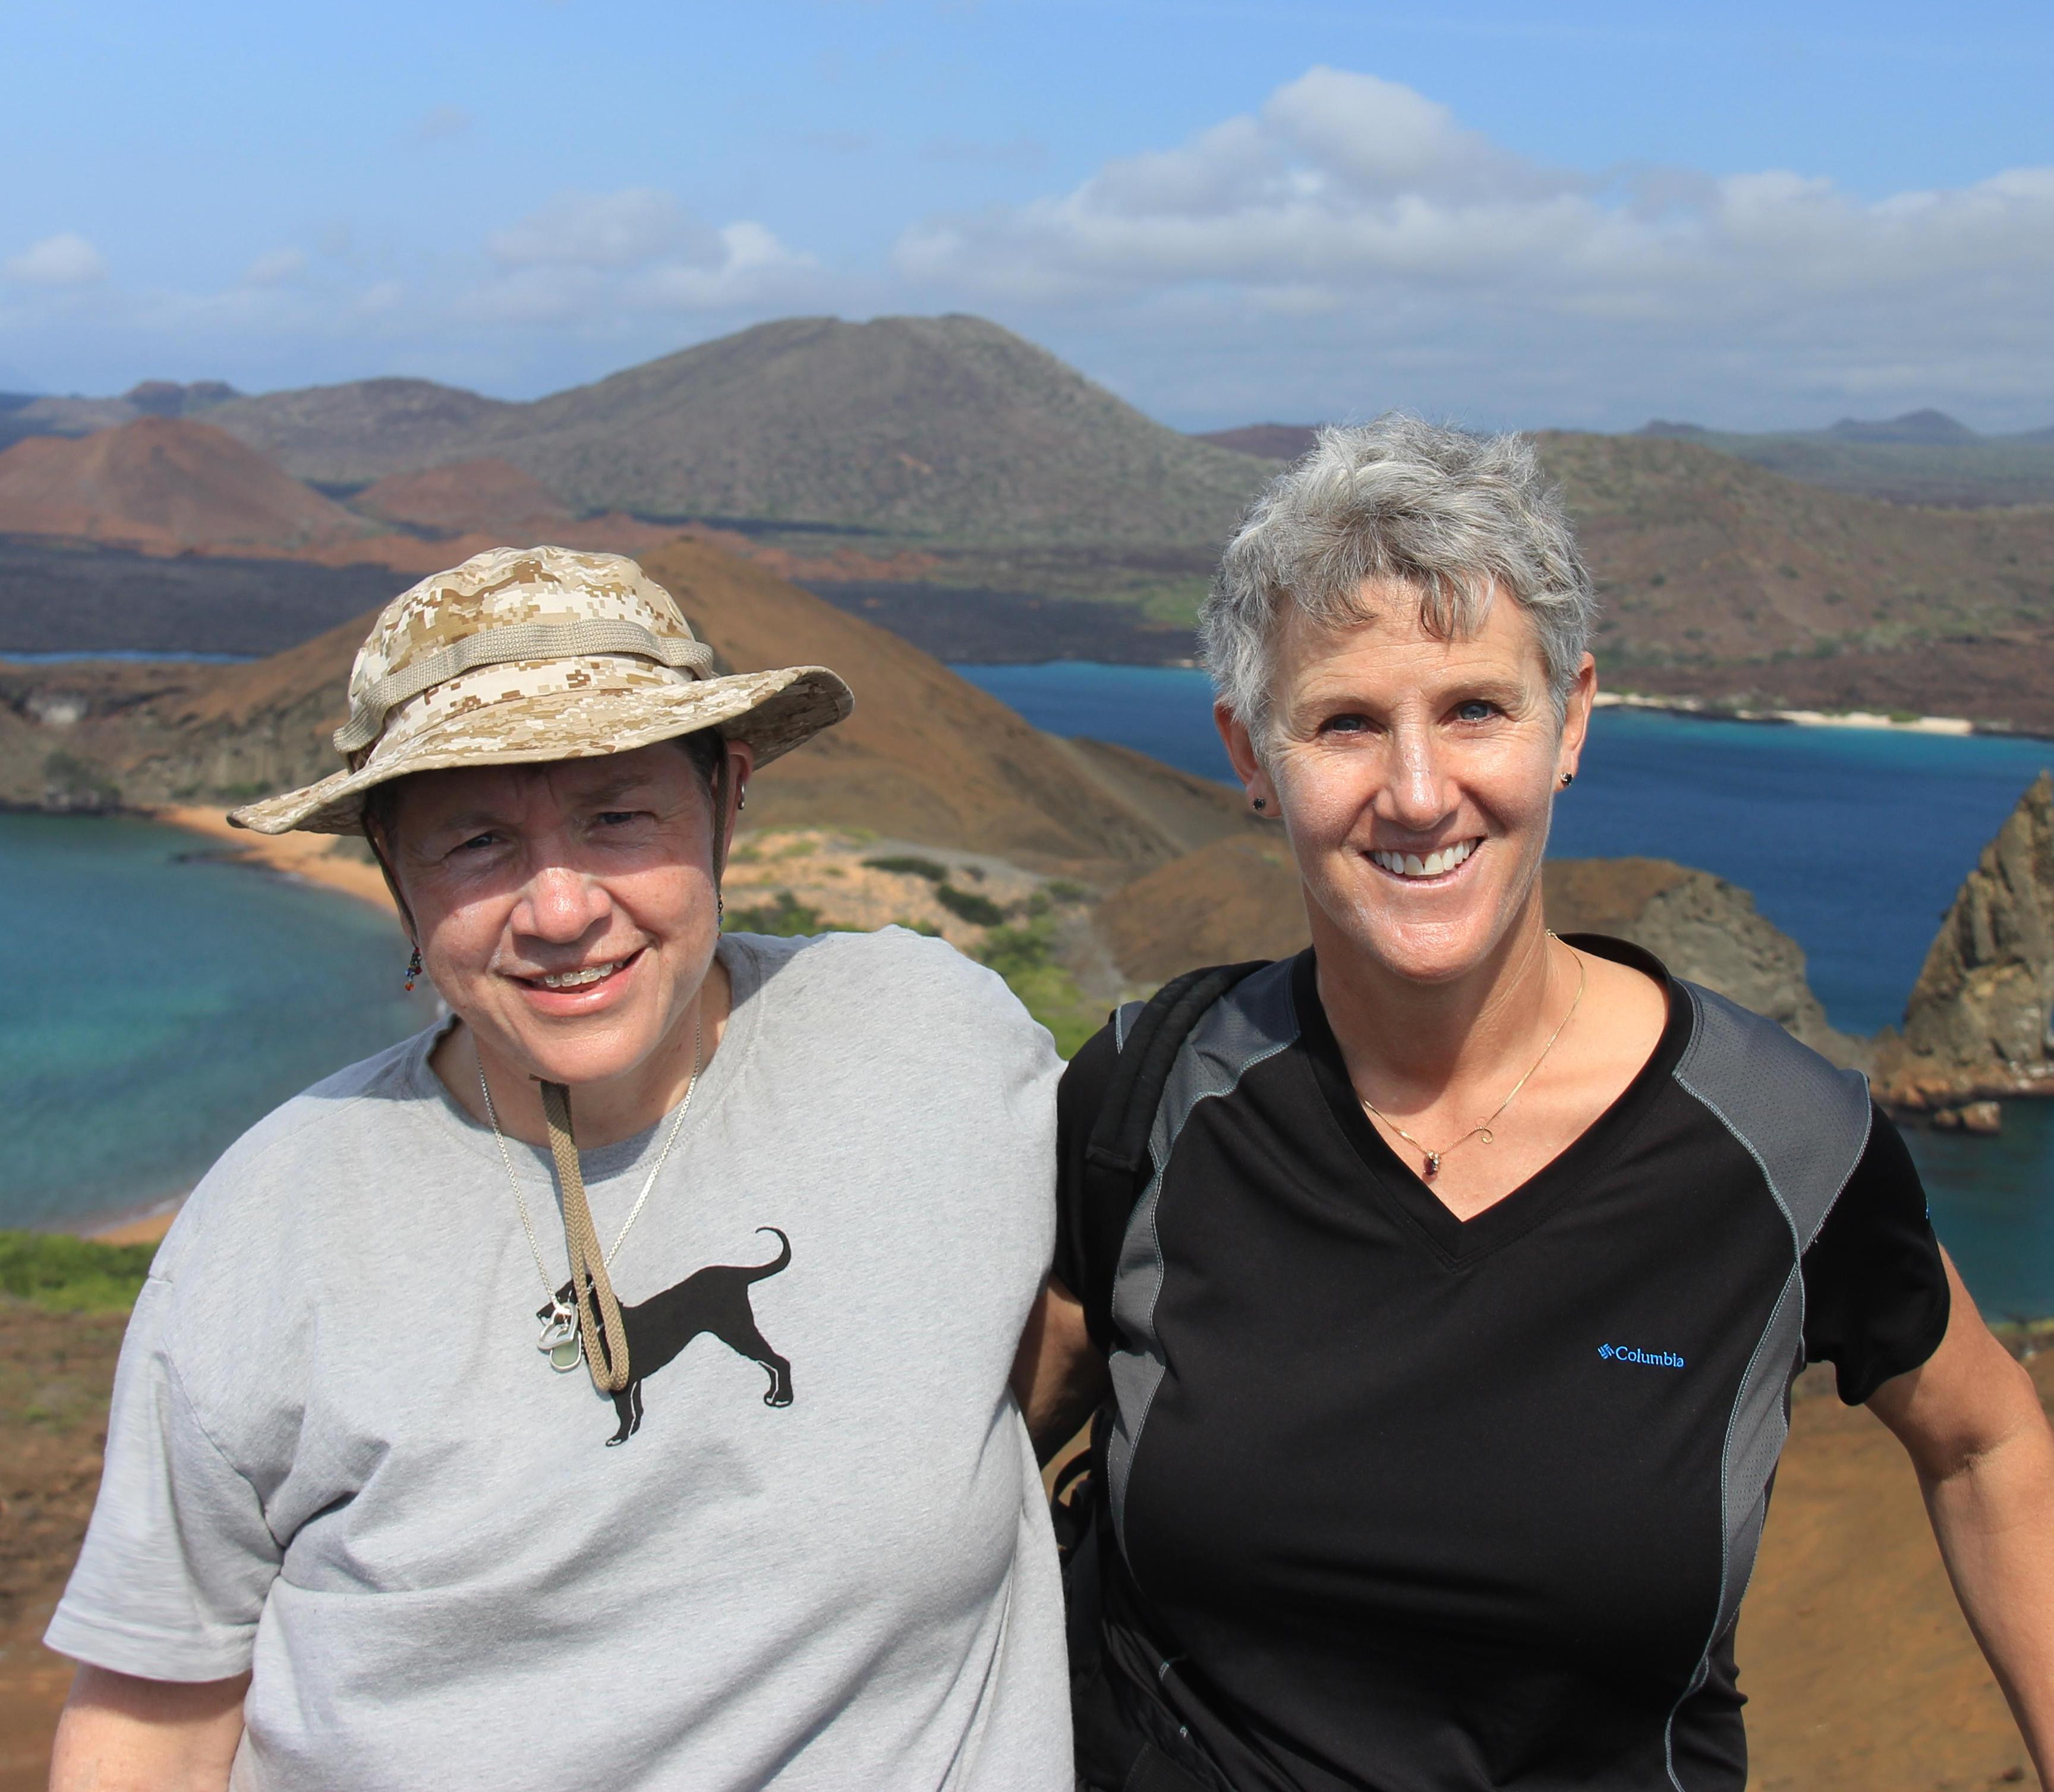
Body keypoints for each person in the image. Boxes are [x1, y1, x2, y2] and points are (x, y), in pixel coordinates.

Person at [1013, 418, 2054, 1792]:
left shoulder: (1784, 1146)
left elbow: (1985, 1441)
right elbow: (972, 1451)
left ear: (1571, 721)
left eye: (1475, 709)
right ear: (1250, 758)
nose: (1419, 791)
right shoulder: (1156, 1094)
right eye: (1343, 723)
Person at [48, 545, 1070, 1791]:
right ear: (392, 871)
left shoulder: (933, 1042)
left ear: (726, 802)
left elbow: (1071, 1332)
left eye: (618, 815)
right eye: (476, 841)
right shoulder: (273, 1216)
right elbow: (152, 1722)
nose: (559, 909)